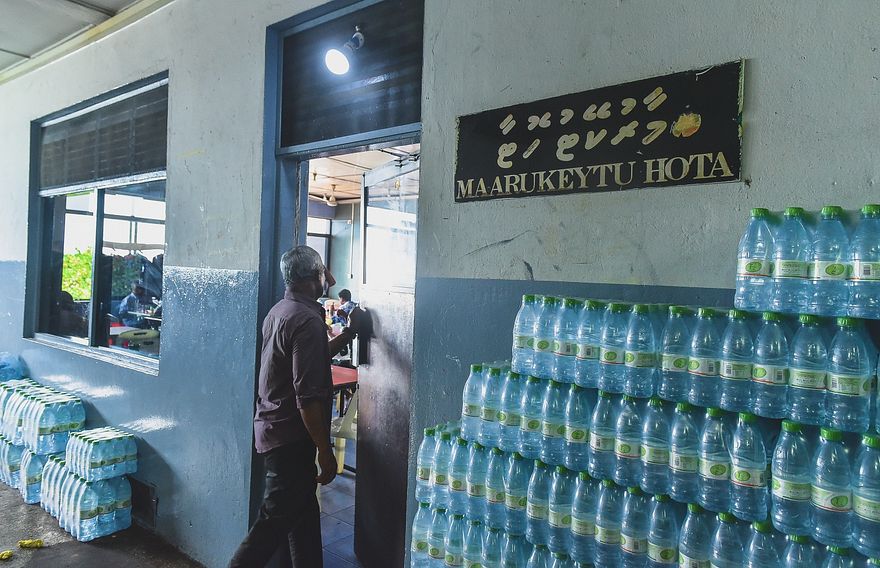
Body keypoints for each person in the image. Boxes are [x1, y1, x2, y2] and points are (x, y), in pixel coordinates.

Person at [229, 246, 360, 568]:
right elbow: (307, 398)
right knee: (271, 524)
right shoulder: (306, 320)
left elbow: (310, 357)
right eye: (324, 271)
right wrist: (325, 451)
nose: (330, 279)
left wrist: (349, 334)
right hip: (290, 436)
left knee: (303, 516)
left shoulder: (281, 311)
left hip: (274, 428)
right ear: (314, 275)